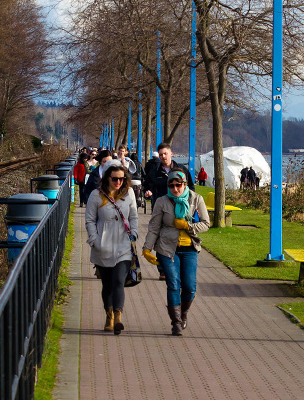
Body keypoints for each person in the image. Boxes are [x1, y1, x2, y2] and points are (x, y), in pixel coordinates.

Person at [142, 170, 210, 336]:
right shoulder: (162, 202)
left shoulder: (196, 199)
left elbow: (206, 224)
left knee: (189, 287)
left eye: (178, 185)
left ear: (185, 184)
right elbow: (154, 227)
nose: (175, 188)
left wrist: (188, 227)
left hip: (189, 249)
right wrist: (146, 248)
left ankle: (183, 312)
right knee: (173, 284)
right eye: (171, 185)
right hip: (167, 249)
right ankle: (176, 322)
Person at [85, 164, 139, 334]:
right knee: (107, 284)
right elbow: (90, 220)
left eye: (121, 179)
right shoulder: (96, 195)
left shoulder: (128, 193)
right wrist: (94, 239)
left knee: (118, 281)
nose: (118, 182)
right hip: (103, 246)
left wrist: (134, 233)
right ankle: (108, 315)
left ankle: (118, 317)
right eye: (114, 178)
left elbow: (133, 216)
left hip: (123, 245)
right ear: (107, 178)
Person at [144, 142, 194, 207]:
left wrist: (190, 203)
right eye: (161, 155)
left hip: (179, 206)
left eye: (165, 153)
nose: (163, 156)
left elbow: (190, 187)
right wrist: (148, 194)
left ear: (171, 154)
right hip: (160, 207)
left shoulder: (182, 170)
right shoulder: (154, 172)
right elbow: (147, 187)